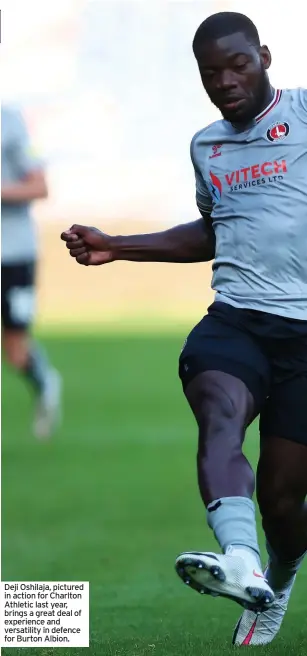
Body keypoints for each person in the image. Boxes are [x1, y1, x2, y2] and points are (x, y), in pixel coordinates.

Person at [61, 11, 307, 646]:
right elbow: (213, 229)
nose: (225, 80)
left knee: (284, 499)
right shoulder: (207, 146)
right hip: (238, 319)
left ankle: (274, 579)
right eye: (211, 72)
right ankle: (239, 562)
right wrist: (118, 245)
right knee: (217, 409)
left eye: (238, 64)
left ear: (267, 57)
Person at [2, 104, 62, 439]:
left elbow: (40, 187)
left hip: (11, 253)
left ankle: (44, 381)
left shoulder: (9, 121)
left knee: (15, 351)